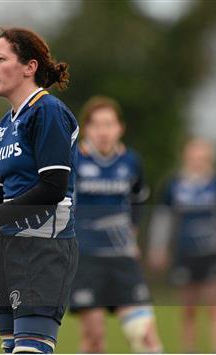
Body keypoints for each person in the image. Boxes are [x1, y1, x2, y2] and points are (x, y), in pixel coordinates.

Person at [0, 27, 79, 354]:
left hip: (45, 251)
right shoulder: (6, 124)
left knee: (30, 350)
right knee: (12, 350)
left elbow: (53, 188)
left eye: (0, 58)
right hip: (10, 253)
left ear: (29, 67)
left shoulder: (47, 111)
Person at [69, 96, 163, 353]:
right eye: (97, 125)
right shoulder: (74, 160)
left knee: (144, 335)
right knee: (95, 338)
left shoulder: (131, 161)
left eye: (109, 124)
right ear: (87, 128)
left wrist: (132, 232)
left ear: (120, 128)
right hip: (85, 259)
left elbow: (138, 199)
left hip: (122, 259)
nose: (103, 131)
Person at [148, 137, 216, 353]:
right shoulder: (173, 185)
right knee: (188, 310)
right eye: (194, 155)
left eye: (203, 156)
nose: (198, 160)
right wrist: (158, 247)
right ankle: (189, 349)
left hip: (213, 253)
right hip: (185, 254)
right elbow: (163, 219)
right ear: (186, 156)